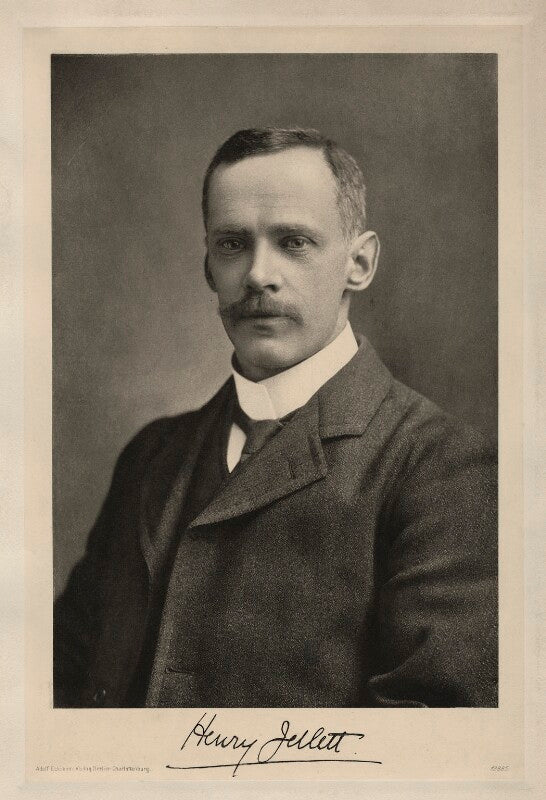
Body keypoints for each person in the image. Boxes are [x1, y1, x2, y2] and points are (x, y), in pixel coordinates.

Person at [53, 127, 497, 709]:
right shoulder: (151, 457)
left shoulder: (443, 469)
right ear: (209, 266)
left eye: (293, 242)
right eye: (232, 244)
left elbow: (430, 739)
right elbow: (59, 687)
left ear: (359, 263)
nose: (258, 274)